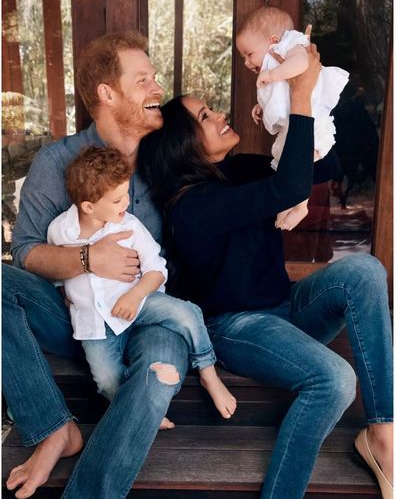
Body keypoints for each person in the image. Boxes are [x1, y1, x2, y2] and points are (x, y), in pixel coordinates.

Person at [138, 43, 393, 499]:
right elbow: (289, 185)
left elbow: (326, 165)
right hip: (237, 326)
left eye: (212, 109)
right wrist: (299, 92)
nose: (219, 116)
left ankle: (383, 434)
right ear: (183, 144)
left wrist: (283, 128)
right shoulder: (190, 208)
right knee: (334, 380)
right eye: (204, 117)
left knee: (366, 271)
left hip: (287, 306)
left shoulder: (239, 171)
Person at [5, 30, 198, 499]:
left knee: (158, 374)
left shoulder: (165, 159)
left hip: (150, 315)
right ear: (107, 94)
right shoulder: (58, 162)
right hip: (79, 319)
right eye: (144, 80)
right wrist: (90, 258)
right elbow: (27, 252)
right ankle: (54, 428)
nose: (157, 90)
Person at [47, 145, 236, 419]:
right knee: (105, 379)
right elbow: (57, 269)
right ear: (88, 206)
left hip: (140, 300)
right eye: (116, 200)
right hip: (95, 324)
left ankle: (208, 373)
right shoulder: (60, 231)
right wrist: (66, 293)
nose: (125, 203)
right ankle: (140, 405)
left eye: (126, 194)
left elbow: (157, 270)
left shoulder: (130, 226)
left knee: (187, 313)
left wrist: (134, 296)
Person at [236, 5, 349, 231]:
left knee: (299, 163)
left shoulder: (292, 46)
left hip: (312, 121)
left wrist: (272, 74)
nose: (247, 63)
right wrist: (262, 105)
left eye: (249, 54)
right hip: (295, 122)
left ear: (274, 40)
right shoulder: (275, 63)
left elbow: (302, 64)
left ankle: (300, 205)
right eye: (243, 58)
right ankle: (290, 203)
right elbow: (282, 94)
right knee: (284, 163)